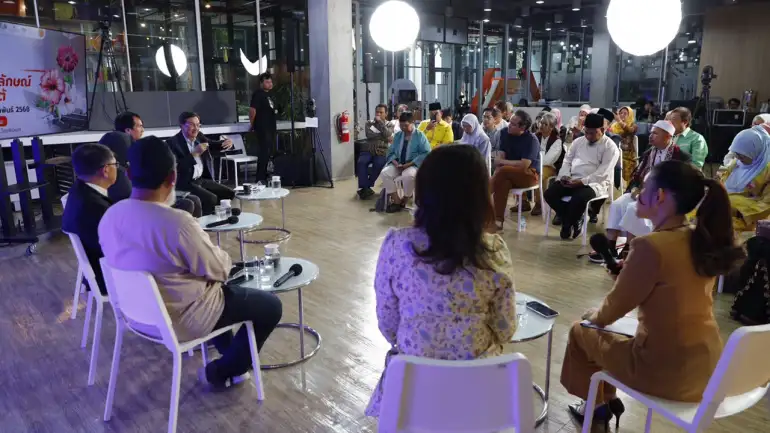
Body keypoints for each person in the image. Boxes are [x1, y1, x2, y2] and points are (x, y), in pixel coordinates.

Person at [561, 160, 744, 427]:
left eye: (644, 187)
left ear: (659, 196)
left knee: (581, 330)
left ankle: (596, 407)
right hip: (708, 369)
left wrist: (593, 316)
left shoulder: (650, 246)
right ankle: (606, 399)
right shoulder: (699, 238)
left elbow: (610, 312)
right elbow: (670, 290)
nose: (637, 192)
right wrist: (628, 276)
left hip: (665, 372)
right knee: (610, 336)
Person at [98, 136, 283, 389]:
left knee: (217, 289)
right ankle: (221, 371)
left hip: (137, 316)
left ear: (129, 174)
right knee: (270, 305)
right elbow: (220, 269)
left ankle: (230, 355)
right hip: (182, 320)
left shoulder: (110, 216)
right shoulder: (177, 223)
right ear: (173, 177)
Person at [366, 145, 516, 417]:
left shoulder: (397, 246)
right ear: (481, 197)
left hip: (412, 390)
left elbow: (387, 322)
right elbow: (505, 328)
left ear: (423, 192)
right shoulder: (494, 251)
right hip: (478, 393)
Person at [588, 120, 690, 263]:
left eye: (655, 134)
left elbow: (680, 184)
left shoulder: (680, 157)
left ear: (667, 137)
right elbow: (637, 175)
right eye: (651, 133)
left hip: (662, 198)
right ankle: (611, 246)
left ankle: (629, 248)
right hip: (642, 191)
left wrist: (652, 193)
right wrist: (635, 189)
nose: (650, 136)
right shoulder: (649, 152)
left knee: (632, 208)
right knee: (617, 204)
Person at [102, 113, 203, 217]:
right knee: (189, 202)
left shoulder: (139, 148)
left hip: (148, 191)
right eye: (139, 126)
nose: (142, 130)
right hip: (142, 197)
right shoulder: (128, 153)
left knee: (193, 199)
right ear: (128, 130)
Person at [544, 113, 619, 240]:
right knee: (549, 194)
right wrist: (564, 176)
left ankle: (567, 224)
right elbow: (567, 161)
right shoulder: (578, 142)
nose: (588, 136)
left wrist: (582, 182)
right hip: (573, 179)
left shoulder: (610, 147)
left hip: (595, 183)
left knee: (578, 199)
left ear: (602, 130)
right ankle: (575, 219)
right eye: (586, 132)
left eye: (592, 133)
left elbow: (603, 173)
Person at [62, 144, 118, 295]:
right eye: (115, 164)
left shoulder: (78, 190)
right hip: (108, 276)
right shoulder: (96, 208)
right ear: (105, 170)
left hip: (95, 267)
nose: (117, 169)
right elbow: (118, 250)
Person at [167, 111, 235, 215]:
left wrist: (228, 143)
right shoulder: (172, 143)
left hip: (200, 179)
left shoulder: (199, 136)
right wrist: (194, 154)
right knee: (211, 198)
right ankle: (206, 220)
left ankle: (219, 217)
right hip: (185, 182)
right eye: (192, 125)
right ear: (181, 126)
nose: (196, 128)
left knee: (229, 193)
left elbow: (213, 145)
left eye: (198, 125)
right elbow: (176, 168)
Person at [491, 110, 541, 230]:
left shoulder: (531, 140)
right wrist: (501, 164)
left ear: (522, 128)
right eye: (510, 122)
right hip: (507, 174)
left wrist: (502, 163)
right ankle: (498, 221)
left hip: (529, 174)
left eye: (513, 124)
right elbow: (500, 157)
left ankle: (479, 197)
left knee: (503, 171)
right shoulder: (504, 133)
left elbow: (524, 165)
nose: (509, 125)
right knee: (503, 182)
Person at [722, 126, 770, 232]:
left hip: (748, 220)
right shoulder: (737, 163)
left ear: (755, 151)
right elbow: (723, 181)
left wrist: (736, 209)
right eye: (736, 154)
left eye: (742, 155)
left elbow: (767, 205)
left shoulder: (767, 171)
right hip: (724, 209)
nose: (738, 158)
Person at [381, 111, 431, 213]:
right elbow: (391, 151)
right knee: (385, 173)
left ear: (412, 123)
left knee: (408, 176)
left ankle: (405, 198)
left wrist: (409, 164)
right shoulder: (398, 135)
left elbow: (426, 153)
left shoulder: (420, 136)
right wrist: (396, 163)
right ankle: (397, 201)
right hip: (398, 163)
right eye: (401, 125)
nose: (403, 128)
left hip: (413, 164)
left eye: (406, 125)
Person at [358, 103, 394, 200]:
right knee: (361, 162)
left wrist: (381, 123)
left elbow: (388, 133)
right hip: (368, 149)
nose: (378, 114)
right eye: (377, 112)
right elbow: (369, 135)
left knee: (379, 164)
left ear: (386, 114)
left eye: (381, 112)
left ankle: (367, 186)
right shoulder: (369, 123)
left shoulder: (390, 124)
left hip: (381, 150)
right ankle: (365, 188)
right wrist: (384, 137)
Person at [533, 111, 566, 216]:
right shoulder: (535, 136)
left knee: (539, 173)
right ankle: (524, 201)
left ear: (551, 127)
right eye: (541, 123)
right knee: (523, 170)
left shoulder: (557, 141)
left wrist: (534, 158)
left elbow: (547, 161)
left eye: (545, 124)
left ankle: (539, 204)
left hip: (551, 167)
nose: (541, 126)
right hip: (535, 164)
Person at [248, 72, 277, 183]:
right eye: (267, 82)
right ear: (261, 83)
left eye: (270, 82)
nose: (270, 84)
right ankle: (260, 177)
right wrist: (252, 124)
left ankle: (264, 175)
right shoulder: (258, 94)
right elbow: (252, 110)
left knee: (268, 152)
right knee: (263, 152)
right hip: (262, 128)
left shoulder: (270, 95)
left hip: (270, 127)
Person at [609, 106, 639, 182]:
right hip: (613, 152)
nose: (622, 115)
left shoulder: (633, 125)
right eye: (620, 113)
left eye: (625, 113)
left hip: (626, 155)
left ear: (630, 115)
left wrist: (620, 121)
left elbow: (629, 131)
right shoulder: (614, 126)